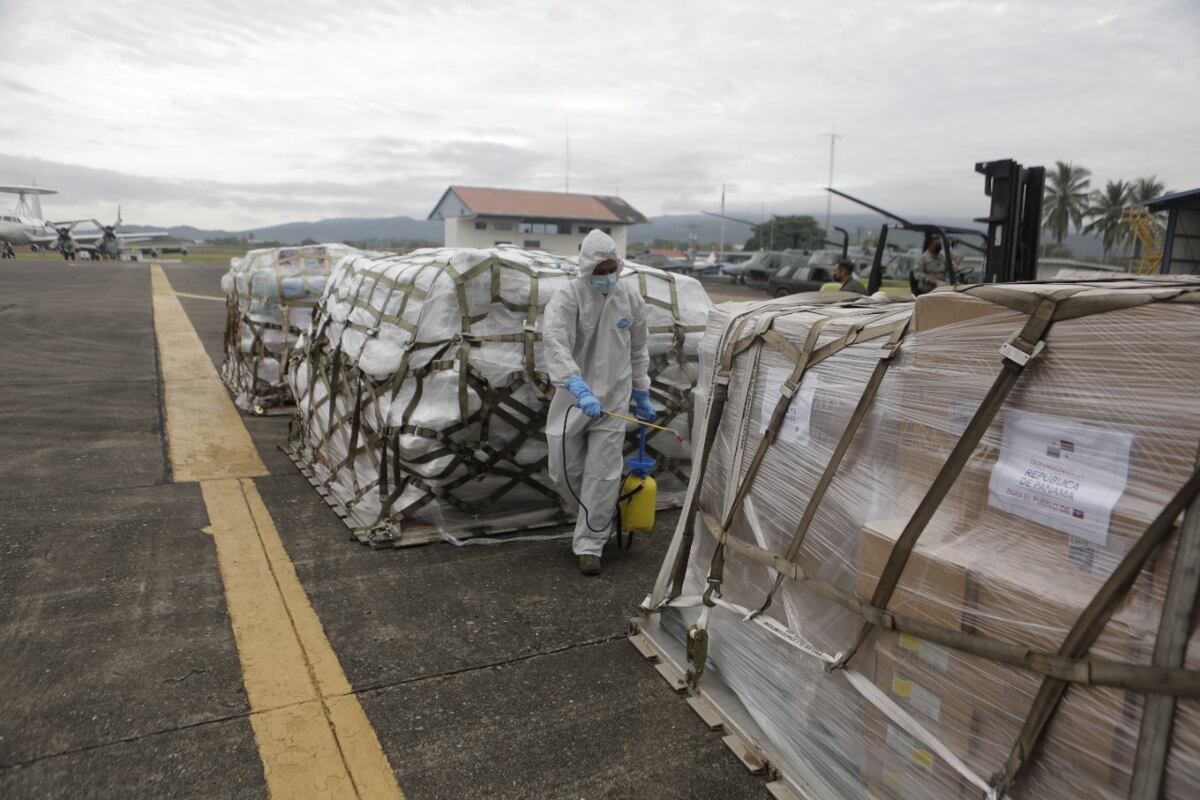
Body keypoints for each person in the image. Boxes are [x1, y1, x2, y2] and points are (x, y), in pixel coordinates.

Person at [544, 229, 653, 576]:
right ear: (586, 268)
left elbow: (639, 348)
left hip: (615, 399)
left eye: (611, 269)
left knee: (603, 474)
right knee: (563, 469)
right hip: (573, 398)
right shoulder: (568, 297)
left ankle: (591, 544)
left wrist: (642, 392)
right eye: (600, 270)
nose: (606, 277)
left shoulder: (629, 298)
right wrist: (576, 384)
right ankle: (588, 517)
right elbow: (556, 342)